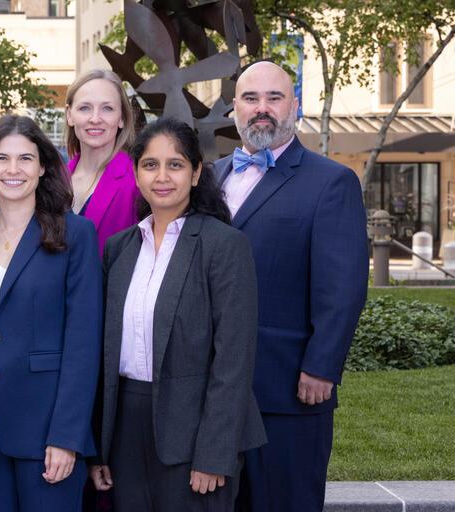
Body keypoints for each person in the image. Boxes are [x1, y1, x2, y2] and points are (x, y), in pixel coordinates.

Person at [89, 118, 266, 511]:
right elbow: (103, 355)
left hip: (195, 434)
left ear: (197, 172)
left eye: (176, 164)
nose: (162, 176)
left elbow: (234, 361)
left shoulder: (224, 246)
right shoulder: (120, 249)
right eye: (150, 165)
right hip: (126, 433)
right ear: (135, 174)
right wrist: (100, 448)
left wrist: (214, 454)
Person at [215, 61, 368, 512]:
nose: (262, 109)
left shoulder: (331, 181)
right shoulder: (210, 176)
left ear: (295, 106)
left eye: (274, 98)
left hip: (290, 389)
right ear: (234, 109)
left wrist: (322, 366)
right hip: (215, 389)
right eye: (250, 99)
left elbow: (342, 285)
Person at [0, 115, 102, 511]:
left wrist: (67, 436)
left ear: (44, 166)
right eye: (1, 159)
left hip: (47, 429)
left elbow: (83, 345)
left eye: (25, 159)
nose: (13, 170)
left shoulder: (75, 235)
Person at [64, 69, 139, 256]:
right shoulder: (54, 179)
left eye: (107, 108)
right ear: (69, 115)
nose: (95, 119)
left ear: (122, 117)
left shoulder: (138, 180)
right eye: (84, 108)